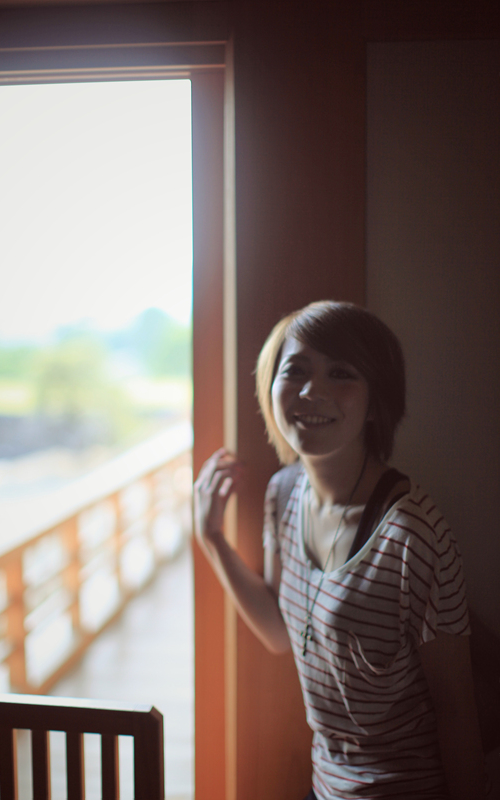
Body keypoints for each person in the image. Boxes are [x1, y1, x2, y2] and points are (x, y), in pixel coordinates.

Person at [193, 300, 486, 800]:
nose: (312, 390)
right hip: (325, 786)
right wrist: (212, 538)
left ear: (375, 403)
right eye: (296, 370)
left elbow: (457, 711)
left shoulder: (411, 534)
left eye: (341, 373)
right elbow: (281, 633)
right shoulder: (284, 492)